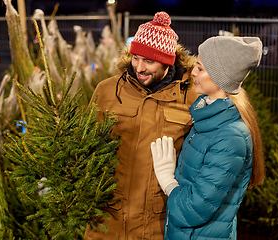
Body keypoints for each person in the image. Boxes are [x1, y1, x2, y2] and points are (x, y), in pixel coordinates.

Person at [84, 11, 199, 240]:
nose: (139, 67)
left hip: (156, 226)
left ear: (167, 61)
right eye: (136, 57)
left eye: (149, 61)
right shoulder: (108, 91)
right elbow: (85, 146)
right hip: (106, 224)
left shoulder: (191, 97)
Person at [151, 36, 266, 239]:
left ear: (220, 77)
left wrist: (168, 180)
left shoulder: (230, 138)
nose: (193, 72)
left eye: (201, 68)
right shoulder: (207, 118)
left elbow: (193, 211)